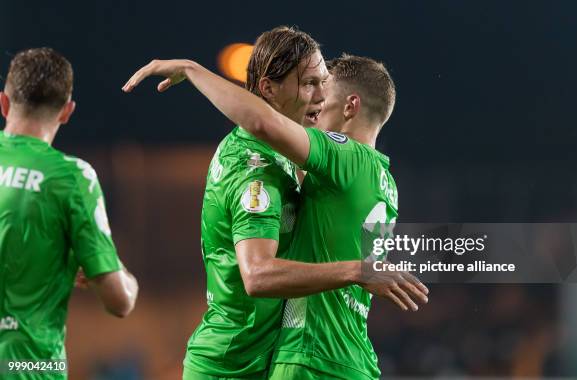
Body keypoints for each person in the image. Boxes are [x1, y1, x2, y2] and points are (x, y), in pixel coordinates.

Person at [124, 27, 427, 379]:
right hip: (235, 365)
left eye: (323, 87)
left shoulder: (340, 159)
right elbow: (258, 274)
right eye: (310, 84)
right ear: (269, 88)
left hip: (305, 358)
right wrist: (356, 271)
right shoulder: (260, 166)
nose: (318, 99)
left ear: (351, 106)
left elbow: (265, 122)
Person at [0, 48, 138, 380]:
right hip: (27, 367)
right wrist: (113, 269)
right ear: (66, 112)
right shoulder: (71, 178)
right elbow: (120, 301)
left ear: (4, 103)